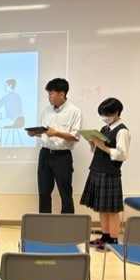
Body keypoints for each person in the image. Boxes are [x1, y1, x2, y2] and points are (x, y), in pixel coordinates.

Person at [79, 98, 130, 250]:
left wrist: (103, 147)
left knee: (112, 209)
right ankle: (105, 236)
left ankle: (113, 241)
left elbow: (122, 154)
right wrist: (92, 143)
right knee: (101, 207)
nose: (104, 117)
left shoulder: (122, 131)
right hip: (97, 169)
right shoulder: (104, 128)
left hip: (110, 173)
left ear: (116, 112)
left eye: (106, 114)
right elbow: (98, 150)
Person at [27, 78, 82, 213]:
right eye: (48, 94)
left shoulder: (74, 111)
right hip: (45, 154)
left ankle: (67, 224)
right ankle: (45, 223)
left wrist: (56, 133)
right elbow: (45, 133)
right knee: (43, 192)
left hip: (62, 156)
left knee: (65, 193)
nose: (48, 97)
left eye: (51, 94)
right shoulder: (46, 110)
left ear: (61, 94)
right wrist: (35, 133)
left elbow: (75, 136)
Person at [0, 78, 23, 146]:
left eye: (6, 85)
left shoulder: (6, 97)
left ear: (10, 85)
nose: (4, 87)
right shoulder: (18, 97)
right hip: (20, 121)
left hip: (11, 121)